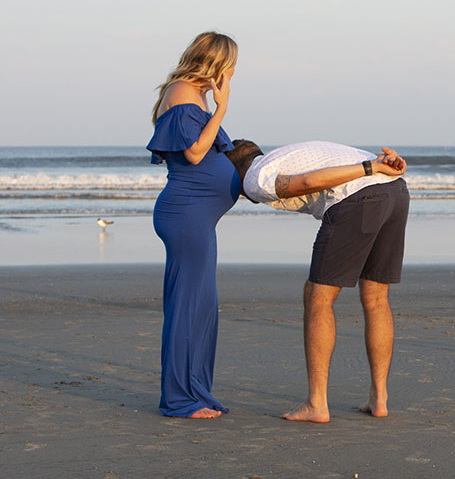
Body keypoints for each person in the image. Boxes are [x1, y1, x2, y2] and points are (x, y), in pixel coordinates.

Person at [226, 140, 409, 422]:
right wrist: (378, 166)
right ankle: (379, 398)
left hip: (359, 198)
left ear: (234, 169)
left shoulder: (254, 177)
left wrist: (369, 166)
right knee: (375, 297)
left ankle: (317, 404)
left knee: (318, 298)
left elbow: (308, 181)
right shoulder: (282, 156)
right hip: (395, 192)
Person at [146, 32, 240, 418]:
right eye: (231, 64)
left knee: (202, 307)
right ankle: (180, 399)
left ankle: (195, 391)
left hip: (197, 216)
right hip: (186, 214)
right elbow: (197, 153)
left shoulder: (194, 95)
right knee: (188, 307)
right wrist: (223, 107)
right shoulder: (185, 91)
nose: (234, 73)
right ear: (216, 62)